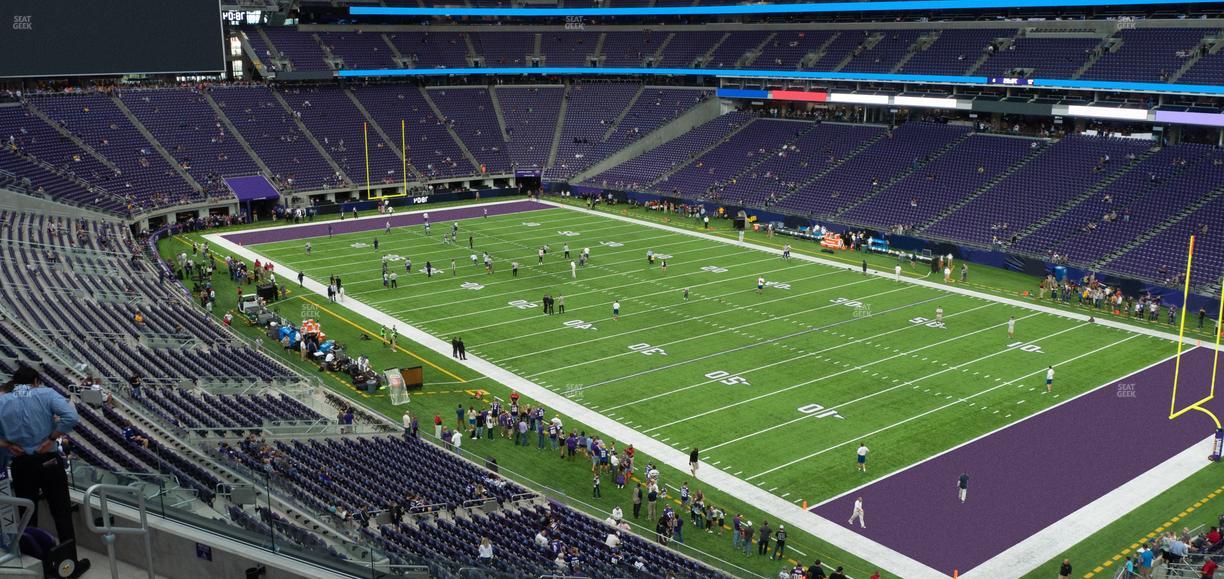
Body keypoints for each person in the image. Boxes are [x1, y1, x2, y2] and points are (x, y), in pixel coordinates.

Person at [0, 366, 88, 572]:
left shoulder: (2, 401)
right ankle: (68, 564)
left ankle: (37, 564)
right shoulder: (46, 394)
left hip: (21, 462)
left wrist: (6, 444)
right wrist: (52, 437)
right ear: (36, 381)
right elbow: (71, 417)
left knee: (27, 514)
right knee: (62, 513)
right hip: (48, 461)